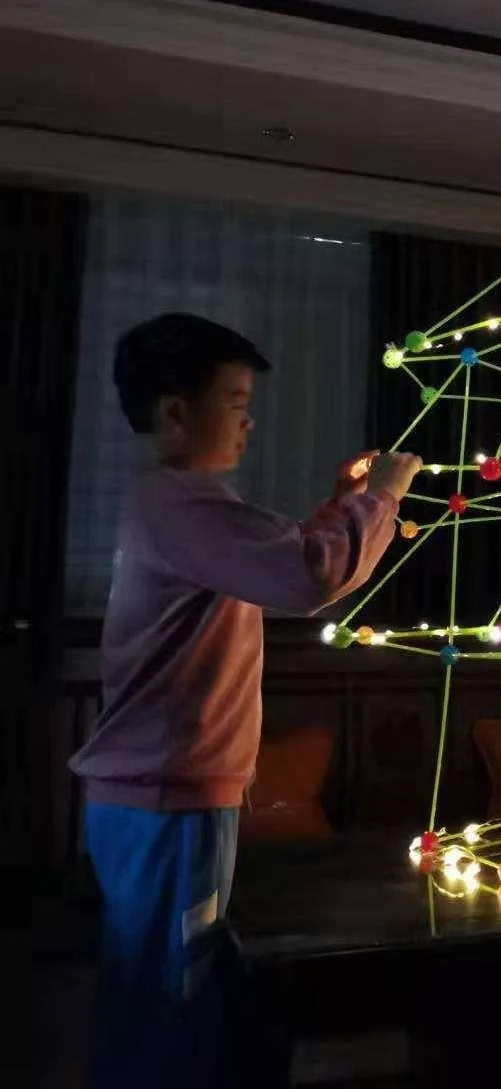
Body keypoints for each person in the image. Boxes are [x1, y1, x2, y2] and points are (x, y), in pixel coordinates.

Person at [69, 312, 421, 1088]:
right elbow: (306, 577)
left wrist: (341, 507)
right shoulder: (182, 504)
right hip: (168, 798)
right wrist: (384, 497)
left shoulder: (174, 506)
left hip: (161, 794)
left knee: (164, 992)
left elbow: (285, 559)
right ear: (174, 411)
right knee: (174, 1001)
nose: (249, 420)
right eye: (233, 401)